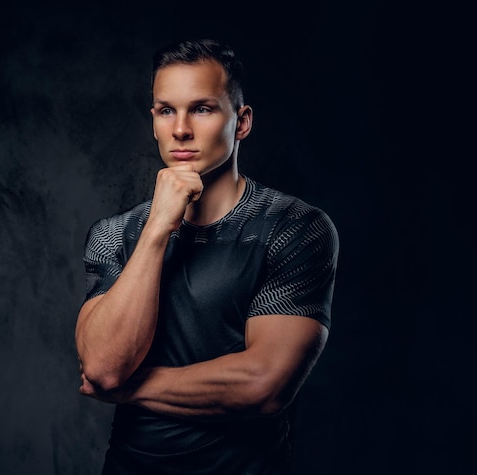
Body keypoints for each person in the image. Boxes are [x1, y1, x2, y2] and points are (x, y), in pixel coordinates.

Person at [75, 38, 339, 474]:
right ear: (154, 121)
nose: (180, 129)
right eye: (166, 110)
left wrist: (130, 389)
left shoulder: (293, 227)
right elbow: (104, 368)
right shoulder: (115, 234)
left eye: (202, 108)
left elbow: (264, 384)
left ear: (241, 122)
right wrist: (159, 227)